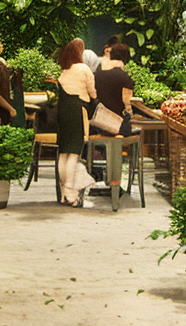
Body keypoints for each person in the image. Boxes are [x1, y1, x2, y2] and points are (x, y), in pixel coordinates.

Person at [55, 37, 98, 207]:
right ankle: (70, 191)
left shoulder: (64, 70)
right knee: (74, 152)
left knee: (64, 152)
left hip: (62, 110)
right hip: (77, 110)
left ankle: (64, 193)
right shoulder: (84, 68)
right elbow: (92, 92)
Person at [94, 43, 138, 137]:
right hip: (118, 125)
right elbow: (127, 102)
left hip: (98, 122)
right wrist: (131, 115)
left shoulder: (98, 74)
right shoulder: (124, 77)